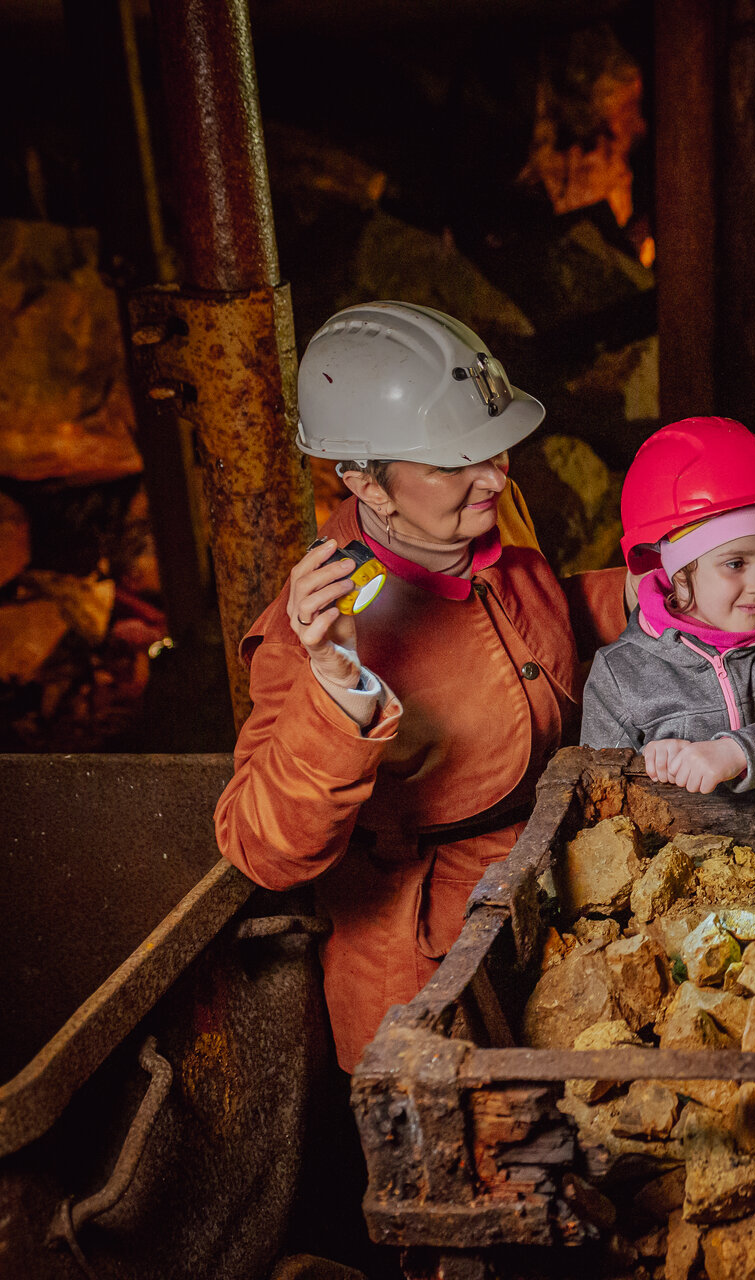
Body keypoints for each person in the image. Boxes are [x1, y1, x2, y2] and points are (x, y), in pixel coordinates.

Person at [214, 302, 628, 1071]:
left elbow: (526, 626)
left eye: (496, 447)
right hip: (425, 960)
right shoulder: (316, 629)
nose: (495, 475)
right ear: (364, 483)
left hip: (544, 881)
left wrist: (633, 598)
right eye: (453, 462)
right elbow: (259, 846)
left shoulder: (476, 508)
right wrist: (336, 686)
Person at [580, 417, 755, 790]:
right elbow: (602, 795)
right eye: (735, 564)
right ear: (678, 570)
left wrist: (735, 752)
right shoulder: (619, 674)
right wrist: (646, 768)